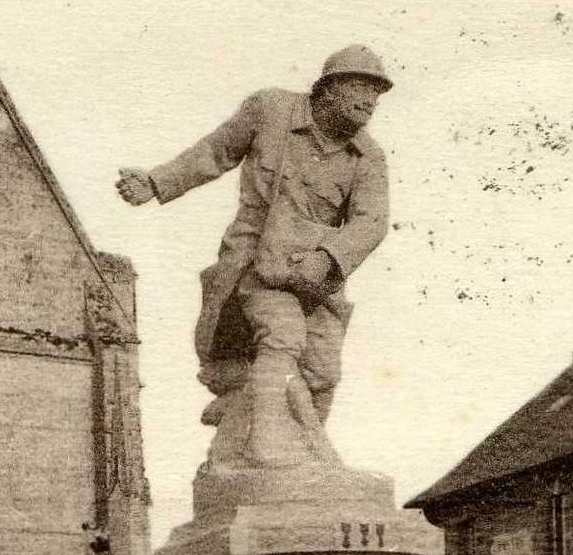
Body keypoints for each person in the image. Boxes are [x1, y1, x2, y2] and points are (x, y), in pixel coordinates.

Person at [117, 46, 392, 466]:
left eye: (376, 93)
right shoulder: (271, 110)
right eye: (359, 86)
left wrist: (328, 258)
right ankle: (264, 444)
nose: (368, 101)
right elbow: (215, 152)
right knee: (283, 338)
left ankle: (277, 439)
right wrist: (155, 182)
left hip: (318, 282)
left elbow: (371, 223)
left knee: (322, 375)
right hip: (257, 267)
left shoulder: (368, 156)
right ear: (329, 88)